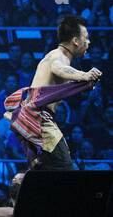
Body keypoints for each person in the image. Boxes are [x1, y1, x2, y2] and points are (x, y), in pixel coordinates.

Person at [6, 15, 102, 171]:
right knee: (64, 167)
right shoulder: (58, 56)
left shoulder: (57, 56)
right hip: (39, 119)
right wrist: (84, 75)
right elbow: (58, 68)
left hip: (34, 118)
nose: (89, 42)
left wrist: (84, 83)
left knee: (44, 170)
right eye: (86, 38)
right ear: (76, 41)